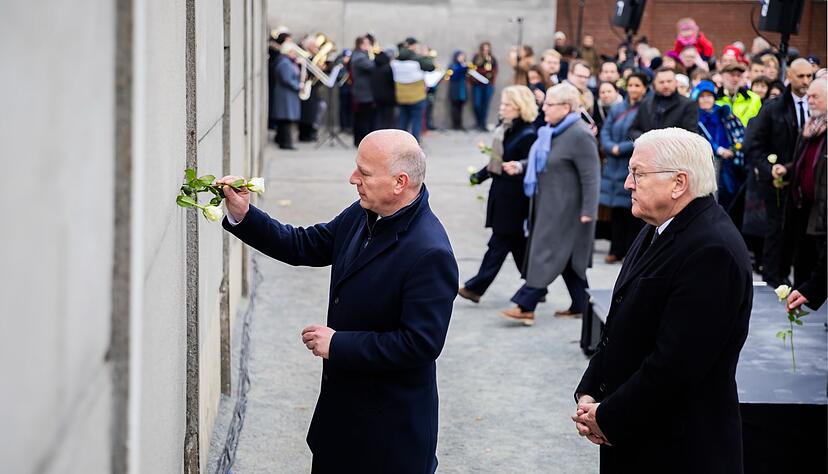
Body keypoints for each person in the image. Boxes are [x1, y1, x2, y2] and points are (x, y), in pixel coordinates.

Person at [218, 129, 458, 473]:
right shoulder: (364, 212)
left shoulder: (430, 252)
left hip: (389, 439)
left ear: (399, 182)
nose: (353, 179)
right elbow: (304, 245)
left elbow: (420, 344)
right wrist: (245, 214)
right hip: (340, 425)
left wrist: (338, 344)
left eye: (364, 172)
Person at [573, 127, 753, 474]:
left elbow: (676, 363)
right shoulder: (658, 226)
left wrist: (607, 416)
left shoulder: (712, 249)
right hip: (637, 434)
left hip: (680, 449)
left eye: (637, 173)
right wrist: (590, 392)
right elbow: (622, 325)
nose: (628, 184)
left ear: (678, 183)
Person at [499, 83, 600, 324]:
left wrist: (588, 211)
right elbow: (547, 160)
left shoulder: (579, 134)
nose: (543, 108)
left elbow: (591, 176)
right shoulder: (552, 131)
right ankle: (581, 304)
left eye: (549, 104)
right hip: (550, 206)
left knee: (546, 253)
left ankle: (526, 303)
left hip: (568, 210)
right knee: (567, 259)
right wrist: (521, 166)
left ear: (566, 107)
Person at [458, 86, 539, 303]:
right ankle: (536, 287)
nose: (501, 108)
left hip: (514, 200)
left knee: (498, 245)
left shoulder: (528, 134)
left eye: (506, 105)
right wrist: (479, 176)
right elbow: (497, 161)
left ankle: (476, 288)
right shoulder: (506, 128)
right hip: (502, 196)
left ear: (520, 107)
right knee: (517, 246)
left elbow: (528, 170)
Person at [744, 58, 813, 287]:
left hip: (808, 180)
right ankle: (775, 275)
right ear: (789, 77)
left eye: (809, 76)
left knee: (803, 231)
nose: (805, 81)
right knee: (777, 227)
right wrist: (769, 168)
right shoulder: (773, 108)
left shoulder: (818, 106)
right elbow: (753, 145)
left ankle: (803, 279)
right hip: (777, 182)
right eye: (800, 76)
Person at [774, 78, 827, 311]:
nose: (810, 100)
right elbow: (802, 163)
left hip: (823, 210)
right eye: (809, 96)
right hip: (804, 207)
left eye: (815, 96)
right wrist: (787, 170)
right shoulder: (809, 128)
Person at [600, 72, 648, 263]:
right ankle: (615, 248)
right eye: (630, 85)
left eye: (637, 85)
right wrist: (611, 146)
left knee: (633, 210)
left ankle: (630, 250)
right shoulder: (617, 108)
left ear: (644, 88)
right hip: (614, 163)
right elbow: (606, 130)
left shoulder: (646, 108)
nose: (633, 89)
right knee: (616, 209)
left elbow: (644, 134)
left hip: (632, 161)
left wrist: (623, 147)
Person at [693, 80, 746, 212]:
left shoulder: (724, 113)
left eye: (709, 96)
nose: (706, 99)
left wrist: (734, 148)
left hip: (729, 161)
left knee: (730, 193)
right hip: (707, 162)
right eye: (702, 96)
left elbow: (738, 133)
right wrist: (718, 150)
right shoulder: (694, 117)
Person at [629, 67, 698, 140]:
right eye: (661, 82)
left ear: (676, 82)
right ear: (654, 84)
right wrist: (647, 140)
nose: (666, 85)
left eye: (669, 81)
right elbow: (633, 130)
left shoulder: (688, 104)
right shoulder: (646, 103)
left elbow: (691, 134)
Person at [391, 37, 435, 142]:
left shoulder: (396, 61)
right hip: (417, 97)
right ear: (413, 46)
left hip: (401, 96)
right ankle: (415, 143)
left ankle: (401, 143)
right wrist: (425, 56)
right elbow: (430, 66)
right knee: (416, 121)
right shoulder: (417, 60)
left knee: (402, 121)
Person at [272, 41, 302, 150]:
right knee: (285, 120)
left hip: (287, 95)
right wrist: (299, 86)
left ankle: (284, 141)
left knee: (286, 120)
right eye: (293, 52)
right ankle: (286, 143)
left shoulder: (287, 62)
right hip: (285, 95)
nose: (295, 54)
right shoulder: (285, 63)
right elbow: (287, 79)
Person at [715, 62, 763, 127]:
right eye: (732, 75)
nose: (735, 79)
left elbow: (760, 125)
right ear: (722, 76)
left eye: (739, 75)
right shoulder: (714, 99)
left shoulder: (754, 98)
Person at [350, 36, 376, 147]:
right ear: (361, 45)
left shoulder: (360, 55)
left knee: (362, 118)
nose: (369, 45)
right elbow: (373, 66)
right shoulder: (360, 57)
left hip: (363, 92)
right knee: (363, 118)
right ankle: (362, 141)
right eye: (367, 43)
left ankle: (360, 141)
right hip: (363, 93)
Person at [471, 41, 498, 131]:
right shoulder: (477, 58)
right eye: (484, 49)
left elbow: (494, 71)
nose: (486, 51)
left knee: (485, 105)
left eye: (487, 49)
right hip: (477, 85)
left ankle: (483, 124)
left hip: (488, 85)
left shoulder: (492, 59)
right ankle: (478, 122)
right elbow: (472, 69)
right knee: (477, 104)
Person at [371, 47, 397, 130]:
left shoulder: (374, 67)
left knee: (378, 118)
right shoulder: (387, 68)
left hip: (377, 97)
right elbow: (392, 83)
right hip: (388, 98)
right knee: (388, 119)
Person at [448, 51, 469, 130]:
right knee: (455, 108)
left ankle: (460, 124)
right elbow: (453, 75)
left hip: (462, 90)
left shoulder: (464, 65)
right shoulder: (453, 65)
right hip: (455, 89)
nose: (462, 58)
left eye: (463, 56)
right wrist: (463, 67)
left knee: (460, 108)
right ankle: (455, 125)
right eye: (460, 56)